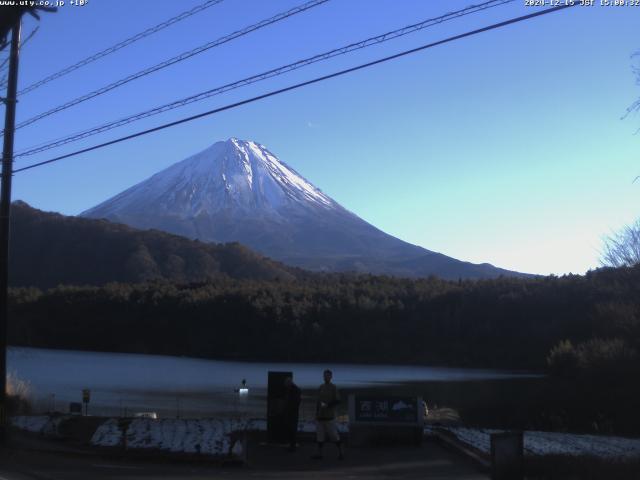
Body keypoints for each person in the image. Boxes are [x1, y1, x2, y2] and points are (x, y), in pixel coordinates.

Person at [312, 369, 344, 460]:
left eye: (328, 375)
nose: (326, 377)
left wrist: (328, 405)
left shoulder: (333, 387)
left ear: (331, 377)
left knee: (334, 435)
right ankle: (319, 454)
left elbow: (338, 400)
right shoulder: (321, 387)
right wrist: (316, 414)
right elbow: (318, 402)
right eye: (325, 375)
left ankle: (341, 452)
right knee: (320, 436)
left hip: (329, 417)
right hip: (320, 417)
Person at [283, 376, 301, 452]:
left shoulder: (295, 390)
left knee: (292, 429)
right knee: (290, 429)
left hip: (293, 413)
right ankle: (291, 445)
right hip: (290, 412)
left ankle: (292, 446)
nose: (285, 385)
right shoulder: (291, 389)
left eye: (286, 383)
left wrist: (289, 408)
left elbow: (296, 402)